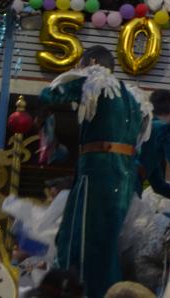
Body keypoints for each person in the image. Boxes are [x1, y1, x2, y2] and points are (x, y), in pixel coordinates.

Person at [40, 46, 149, 298]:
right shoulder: (133, 97)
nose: (79, 69)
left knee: (79, 238)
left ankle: (77, 291)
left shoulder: (96, 79)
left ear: (91, 62)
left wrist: (45, 105)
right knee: (108, 242)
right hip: (124, 175)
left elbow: (52, 94)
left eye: (80, 64)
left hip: (97, 171)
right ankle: (112, 291)